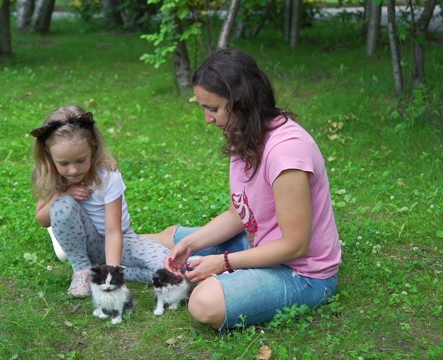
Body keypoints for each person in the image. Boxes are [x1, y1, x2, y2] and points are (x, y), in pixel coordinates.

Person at [144, 49, 342, 330]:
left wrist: (223, 263)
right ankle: (99, 244)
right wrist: (192, 244)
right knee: (173, 239)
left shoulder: (286, 152)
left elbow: (295, 245)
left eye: (213, 109)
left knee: (204, 303)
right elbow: (240, 214)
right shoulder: (245, 134)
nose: (208, 119)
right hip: (259, 243)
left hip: (301, 273)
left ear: (242, 102)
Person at [30, 105, 170, 297]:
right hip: (86, 243)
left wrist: (111, 275)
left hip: (120, 241)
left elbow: (113, 232)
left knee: (168, 268)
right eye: (64, 164)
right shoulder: (51, 175)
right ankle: (83, 271)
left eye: (80, 160)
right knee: (62, 205)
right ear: (49, 156)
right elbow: (42, 219)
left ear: (93, 147)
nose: (73, 170)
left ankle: (107, 270)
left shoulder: (108, 176)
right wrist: (64, 193)